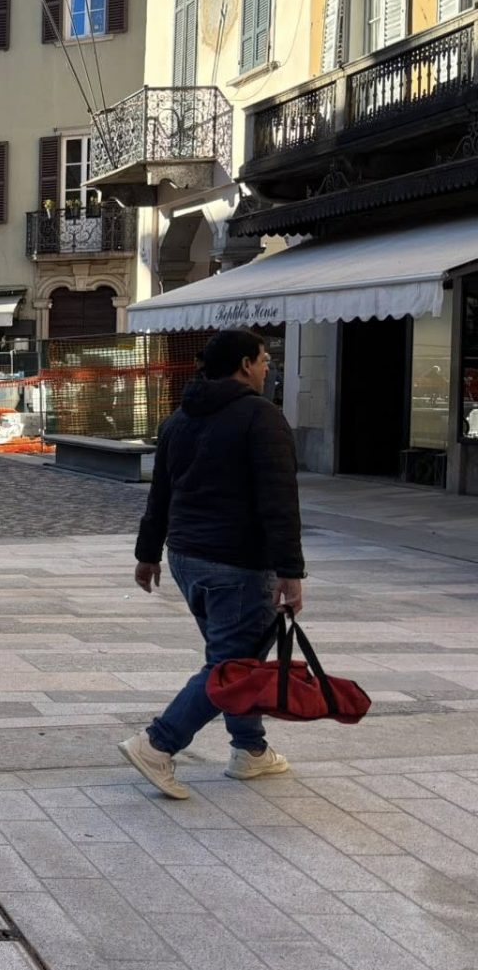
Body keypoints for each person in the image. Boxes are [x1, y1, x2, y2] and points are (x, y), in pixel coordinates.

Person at [121, 329, 303, 800]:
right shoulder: (262, 418)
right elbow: (279, 501)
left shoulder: (179, 418)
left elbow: (160, 493)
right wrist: (291, 571)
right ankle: (158, 744)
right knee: (234, 664)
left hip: (187, 557)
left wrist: (148, 554)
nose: (268, 368)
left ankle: (250, 750)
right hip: (236, 562)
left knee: (232, 659)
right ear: (246, 364)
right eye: (264, 359)